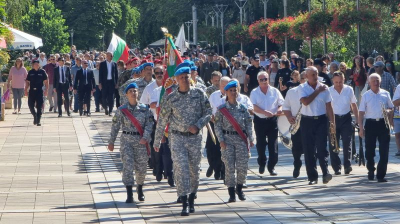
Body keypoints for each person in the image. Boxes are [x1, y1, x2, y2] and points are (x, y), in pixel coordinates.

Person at [153, 67, 212, 216]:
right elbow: (162, 120)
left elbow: (208, 113)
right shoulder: (171, 97)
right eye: (182, 77)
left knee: (194, 170)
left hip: (195, 139)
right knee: (181, 169)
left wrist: (198, 125)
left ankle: (192, 198)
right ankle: (184, 201)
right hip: (177, 138)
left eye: (187, 77)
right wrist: (157, 140)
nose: (185, 80)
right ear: (177, 80)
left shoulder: (199, 94)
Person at [108, 83, 154, 202]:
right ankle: (129, 193)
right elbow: (115, 126)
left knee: (141, 168)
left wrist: (145, 137)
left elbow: (150, 124)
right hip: (126, 141)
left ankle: (139, 188)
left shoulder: (145, 109)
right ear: (127, 94)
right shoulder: (122, 110)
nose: (134, 93)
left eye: (135, 91)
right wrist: (111, 142)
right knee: (127, 166)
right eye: (131, 91)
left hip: (141, 142)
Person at [214, 81, 254, 203]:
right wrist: (221, 140)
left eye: (235, 90)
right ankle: (231, 193)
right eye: (230, 90)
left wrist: (251, 139)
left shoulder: (243, 109)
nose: (233, 92)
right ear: (226, 92)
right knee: (229, 167)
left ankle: (240, 188)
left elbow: (248, 124)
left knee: (242, 166)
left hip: (240, 140)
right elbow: (217, 126)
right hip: (227, 140)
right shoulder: (222, 110)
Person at [299, 66, 334, 185]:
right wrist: (317, 91)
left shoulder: (325, 88)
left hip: (321, 120)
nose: (315, 77)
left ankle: (325, 172)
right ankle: (312, 177)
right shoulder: (302, 88)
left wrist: (332, 122)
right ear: (306, 76)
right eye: (312, 75)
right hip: (307, 121)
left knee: (322, 147)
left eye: (316, 74)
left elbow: (329, 106)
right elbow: (305, 102)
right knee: (309, 150)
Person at [358, 73, 393, 182]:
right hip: (371, 124)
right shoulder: (366, 95)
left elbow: (392, 108)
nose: (375, 83)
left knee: (384, 150)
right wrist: (361, 128)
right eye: (373, 81)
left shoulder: (385, 94)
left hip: (383, 123)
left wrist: (389, 112)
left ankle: (381, 174)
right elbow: (361, 113)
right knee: (369, 150)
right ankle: (371, 170)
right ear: (369, 82)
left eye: (377, 80)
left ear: (380, 81)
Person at [250, 71, 284, 176]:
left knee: (273, 145)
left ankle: (271, 166)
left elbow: (282, 103)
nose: (264, 81)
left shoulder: (275, 91)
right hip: (260, 120)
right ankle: (261, 163)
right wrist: (265, 112)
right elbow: (253, 107)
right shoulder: (254, 92)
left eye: (266, 79)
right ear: (258, 81)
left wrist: (279, 109)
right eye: (262, 80)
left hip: (272, 121)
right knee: (260, 144)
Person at [328, 72, 359, 175]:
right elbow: (326, 106)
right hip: (333, 118)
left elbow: (354, 105)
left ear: (344, 79)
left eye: (340, 81)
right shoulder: (329, 90)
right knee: (334, 143)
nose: (338, 84)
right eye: (336, 82)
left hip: (346, 117)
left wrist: (358, 120)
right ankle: (336, 167)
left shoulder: (349, 89)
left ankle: (347, 165)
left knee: (347, 142)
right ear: (333, 81)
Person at [140, 65, 164, 181]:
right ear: (154, 74)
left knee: (167, 147)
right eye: (157, 72)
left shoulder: (168, 87)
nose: (159, 74)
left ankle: (165, 168)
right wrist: (151, 106)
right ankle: (157, 168)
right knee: (155, 146)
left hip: (167, 122)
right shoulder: (149, 88)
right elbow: (142, 104)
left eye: (161, 72)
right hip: (153, 121)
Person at [282, 71, 306, 178]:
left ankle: (312, 171)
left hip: (311, 123)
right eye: (303, 79)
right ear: (300, 80)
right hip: (297, 123)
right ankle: (297, 164)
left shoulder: (315, 91)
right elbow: (285, 107)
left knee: (311, 148)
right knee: (296, 148)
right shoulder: (291, 92)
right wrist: (289, 116)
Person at [207, 76, 231, 180]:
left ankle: (222, 170)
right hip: (214, 123)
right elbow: (208, 109)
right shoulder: (214, 95)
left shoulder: (233, 95)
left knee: (224, 148)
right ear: (219, 85)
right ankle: (214, 167)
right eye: (223, 85)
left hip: (228, 126)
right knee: (213, 147)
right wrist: (211, 118)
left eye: (227, 85)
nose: (224, 87)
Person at [24, 60, 48, 126]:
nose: (36, 65)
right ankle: (35, 115)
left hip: (39, 91)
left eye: (37, 64)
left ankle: (38, 121)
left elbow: (46, 81)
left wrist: (46, 90)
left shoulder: (42, 72)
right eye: (35, 64)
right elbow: (27, 82)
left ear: (39, 65)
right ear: (33, 65)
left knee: (39, 106)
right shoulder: (30, 72)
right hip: (32, 91)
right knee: (30, 105)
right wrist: (25, 90)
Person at [99, 52, 119, 116]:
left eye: (109, 55)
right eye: (107, 55)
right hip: (104, 82)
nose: (108, 56)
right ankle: (105, 108)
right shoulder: (102, 64)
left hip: (111, 82)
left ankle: (110, 110)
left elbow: (116, 74)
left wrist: (116, 83)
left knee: (111, 97)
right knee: (104, 97)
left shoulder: (114, 64)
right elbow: (100, 74)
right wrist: (100, 83)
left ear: (111, 56)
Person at [392, 84, 400, 156]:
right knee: (397, 134)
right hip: (398, 115)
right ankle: (399, 150)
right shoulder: (399, 87)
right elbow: (395, 102)